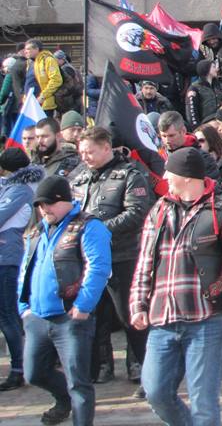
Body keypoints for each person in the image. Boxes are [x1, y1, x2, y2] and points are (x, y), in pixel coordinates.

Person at [131, 148, 222, 425]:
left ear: (187, 177)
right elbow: (144, 261)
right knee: (155, 391)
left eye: (170, 172)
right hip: (162, 318)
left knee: (203, 401)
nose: (165, 177)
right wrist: (138, 304)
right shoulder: (159, 209)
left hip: (206, 318)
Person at [19, 175, 112, 426]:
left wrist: (83, 305)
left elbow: (99, 267)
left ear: (64, 201)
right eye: (39, 205)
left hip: (70, 317)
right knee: (34, 373)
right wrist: (24, 307)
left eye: (48, 203)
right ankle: (63, 401)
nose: (43, 209)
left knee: (78, 381)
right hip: (37, 316)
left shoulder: (88, 226)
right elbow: (26, 267)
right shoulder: (38, 230)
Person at [71, 126, 154, 386]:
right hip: (88, 260)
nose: (85, 157)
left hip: (122, 254)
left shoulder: (130, 174)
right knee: (94, 316)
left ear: (106, 147)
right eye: (82, 152)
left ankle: (141, 366)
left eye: (90, 151)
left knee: (130, 317)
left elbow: (137, 212)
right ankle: (101, 365)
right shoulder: (79, 177)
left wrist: (98, 231)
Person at [0, 148, 45, 391]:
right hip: (5, 253)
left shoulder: (18, 189)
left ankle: (19, 368)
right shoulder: (9, 187)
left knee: (8, 315)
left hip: (8, 256)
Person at [157, 111, 220, 181]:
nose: (167, 140)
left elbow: (214, 187)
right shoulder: (160, 156)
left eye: (171, 135)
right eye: (163, 136)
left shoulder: (202, 158)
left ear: (183, 131)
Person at [23, 39, 62, 118]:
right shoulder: (30, 62)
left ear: (36, 49)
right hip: (30, 104)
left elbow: (56, 80)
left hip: (43, 104)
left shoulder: (48, 60)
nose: (25, 51)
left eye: (28, 49)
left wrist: (42, 96)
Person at [185, 59, 222, 132]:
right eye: (213, 67)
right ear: (206, 69)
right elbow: (192, 112)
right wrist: (197, 130)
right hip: (206, 127)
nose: (216, 69)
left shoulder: (219, 86)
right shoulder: (194, 88)